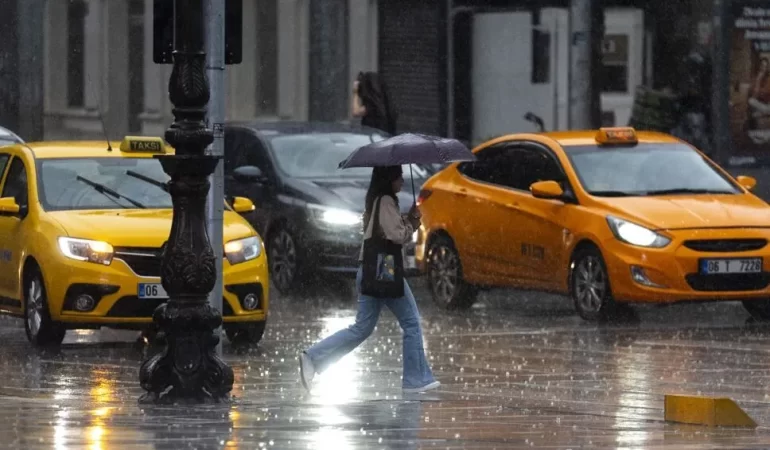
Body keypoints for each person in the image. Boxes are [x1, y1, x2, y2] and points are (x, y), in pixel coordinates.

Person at [299, 165, 440, 393]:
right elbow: (395, 235)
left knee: (362, 328)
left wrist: (407, 219)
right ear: (389, 178)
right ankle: (415, 380)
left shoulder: (376, 200)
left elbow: (387, 229)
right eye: (399, 176)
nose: (402, 181)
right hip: (384, 269)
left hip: (369, 269)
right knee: (411, 322)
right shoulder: (385, 200)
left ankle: (313, 358)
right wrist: (412, 224)